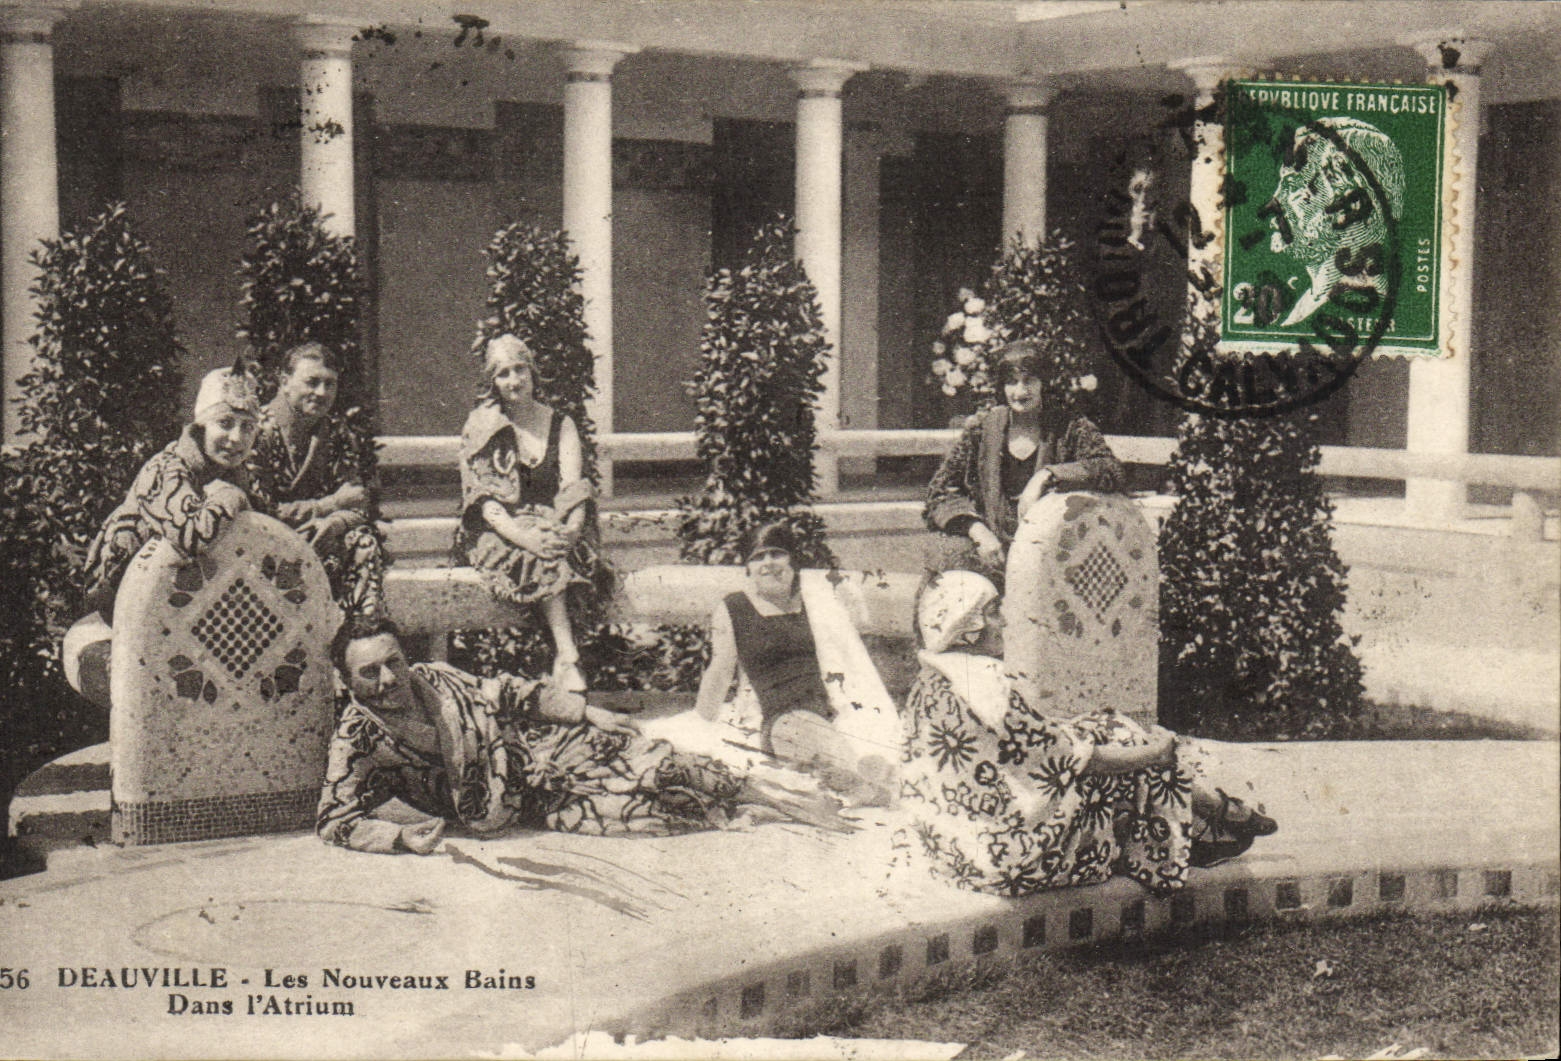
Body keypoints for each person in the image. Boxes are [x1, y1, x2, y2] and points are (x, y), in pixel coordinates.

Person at [317, 618, 848, 854]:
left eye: (393, 663)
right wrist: (399, 838)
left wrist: (587, 713)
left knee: (658, 762)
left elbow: (509, 692)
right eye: (370, 673)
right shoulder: (358, 739)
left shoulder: (437, 677)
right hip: (526, 802)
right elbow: (333, 819)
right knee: (641, 816)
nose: (388, 680)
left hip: (543, 749)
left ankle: (787, 801)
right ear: (347, 680)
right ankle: (741, 812)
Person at [897, 570, 1276, 897]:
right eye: (995, 612)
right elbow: (1082, 761)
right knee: (1130, 746)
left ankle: (1215, 818)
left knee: (1104, 728)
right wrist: (1157, 751)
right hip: (1013, 860)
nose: (1006, 620)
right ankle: (1211, 824)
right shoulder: (984, 689)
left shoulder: (929, 683)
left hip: (954, 854)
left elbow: (1037, 749)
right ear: (968, 628)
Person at [66, 367, 268, 709]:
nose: (236, 438)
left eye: (247, 427)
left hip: (192, 617)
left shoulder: (236, 474)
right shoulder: (167, 468)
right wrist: (228, 496)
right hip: (126, 615)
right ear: (201, 425)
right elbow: (192, 536)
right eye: (226, 423)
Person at [455, 334, 602, 693]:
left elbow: (573, 488)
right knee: (542, 557)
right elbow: (485, 500)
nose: (514, 380)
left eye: (520, 369)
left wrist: (572, 528)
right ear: (493, 382)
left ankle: (561, 668)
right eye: (503, 373)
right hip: (500, 531)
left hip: (551, 525)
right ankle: (567, 656)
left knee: (556, 549)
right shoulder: (483, 426)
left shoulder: (560, 424)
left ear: (534, 372)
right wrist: (525, 537)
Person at [924, 340, 1124, 587]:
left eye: (1028, 381)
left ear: (1044, 383)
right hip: (992, 551)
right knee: (950, 565)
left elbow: (1109, 468)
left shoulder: (1069, 426)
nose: (1019, 392)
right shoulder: (982, 429)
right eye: (1011, 382)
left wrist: (1047, 476)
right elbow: (939, 492)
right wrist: (978, 531)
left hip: (1050, 554)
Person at [693, 522, 857, 790]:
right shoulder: (734, 608)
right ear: (748, 568)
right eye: (758, 557)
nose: (768, 563)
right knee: (829, 754)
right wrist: (699, 728)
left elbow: (848, 661)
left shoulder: (815, 602)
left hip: (830, 713)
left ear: (793, 561)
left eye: (777, 553)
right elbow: (720, 673)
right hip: (781, 722)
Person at [246, 341, 388, 624]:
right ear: (285, 382)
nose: (321, 393)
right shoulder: (253, 431)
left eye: (330, 384)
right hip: (262, 546)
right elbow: (261, 512)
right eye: (312, 382)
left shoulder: (336, 433)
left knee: (361, 542)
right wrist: (331, 505)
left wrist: (336, 523)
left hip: (321, 540)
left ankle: (355, 645)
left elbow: (358, 500)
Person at [1258, 116, 1405, 328]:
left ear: (1350, 206)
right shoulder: (1299, 301)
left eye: (1295, 186)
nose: (1277, 201)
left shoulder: (1368, 304)